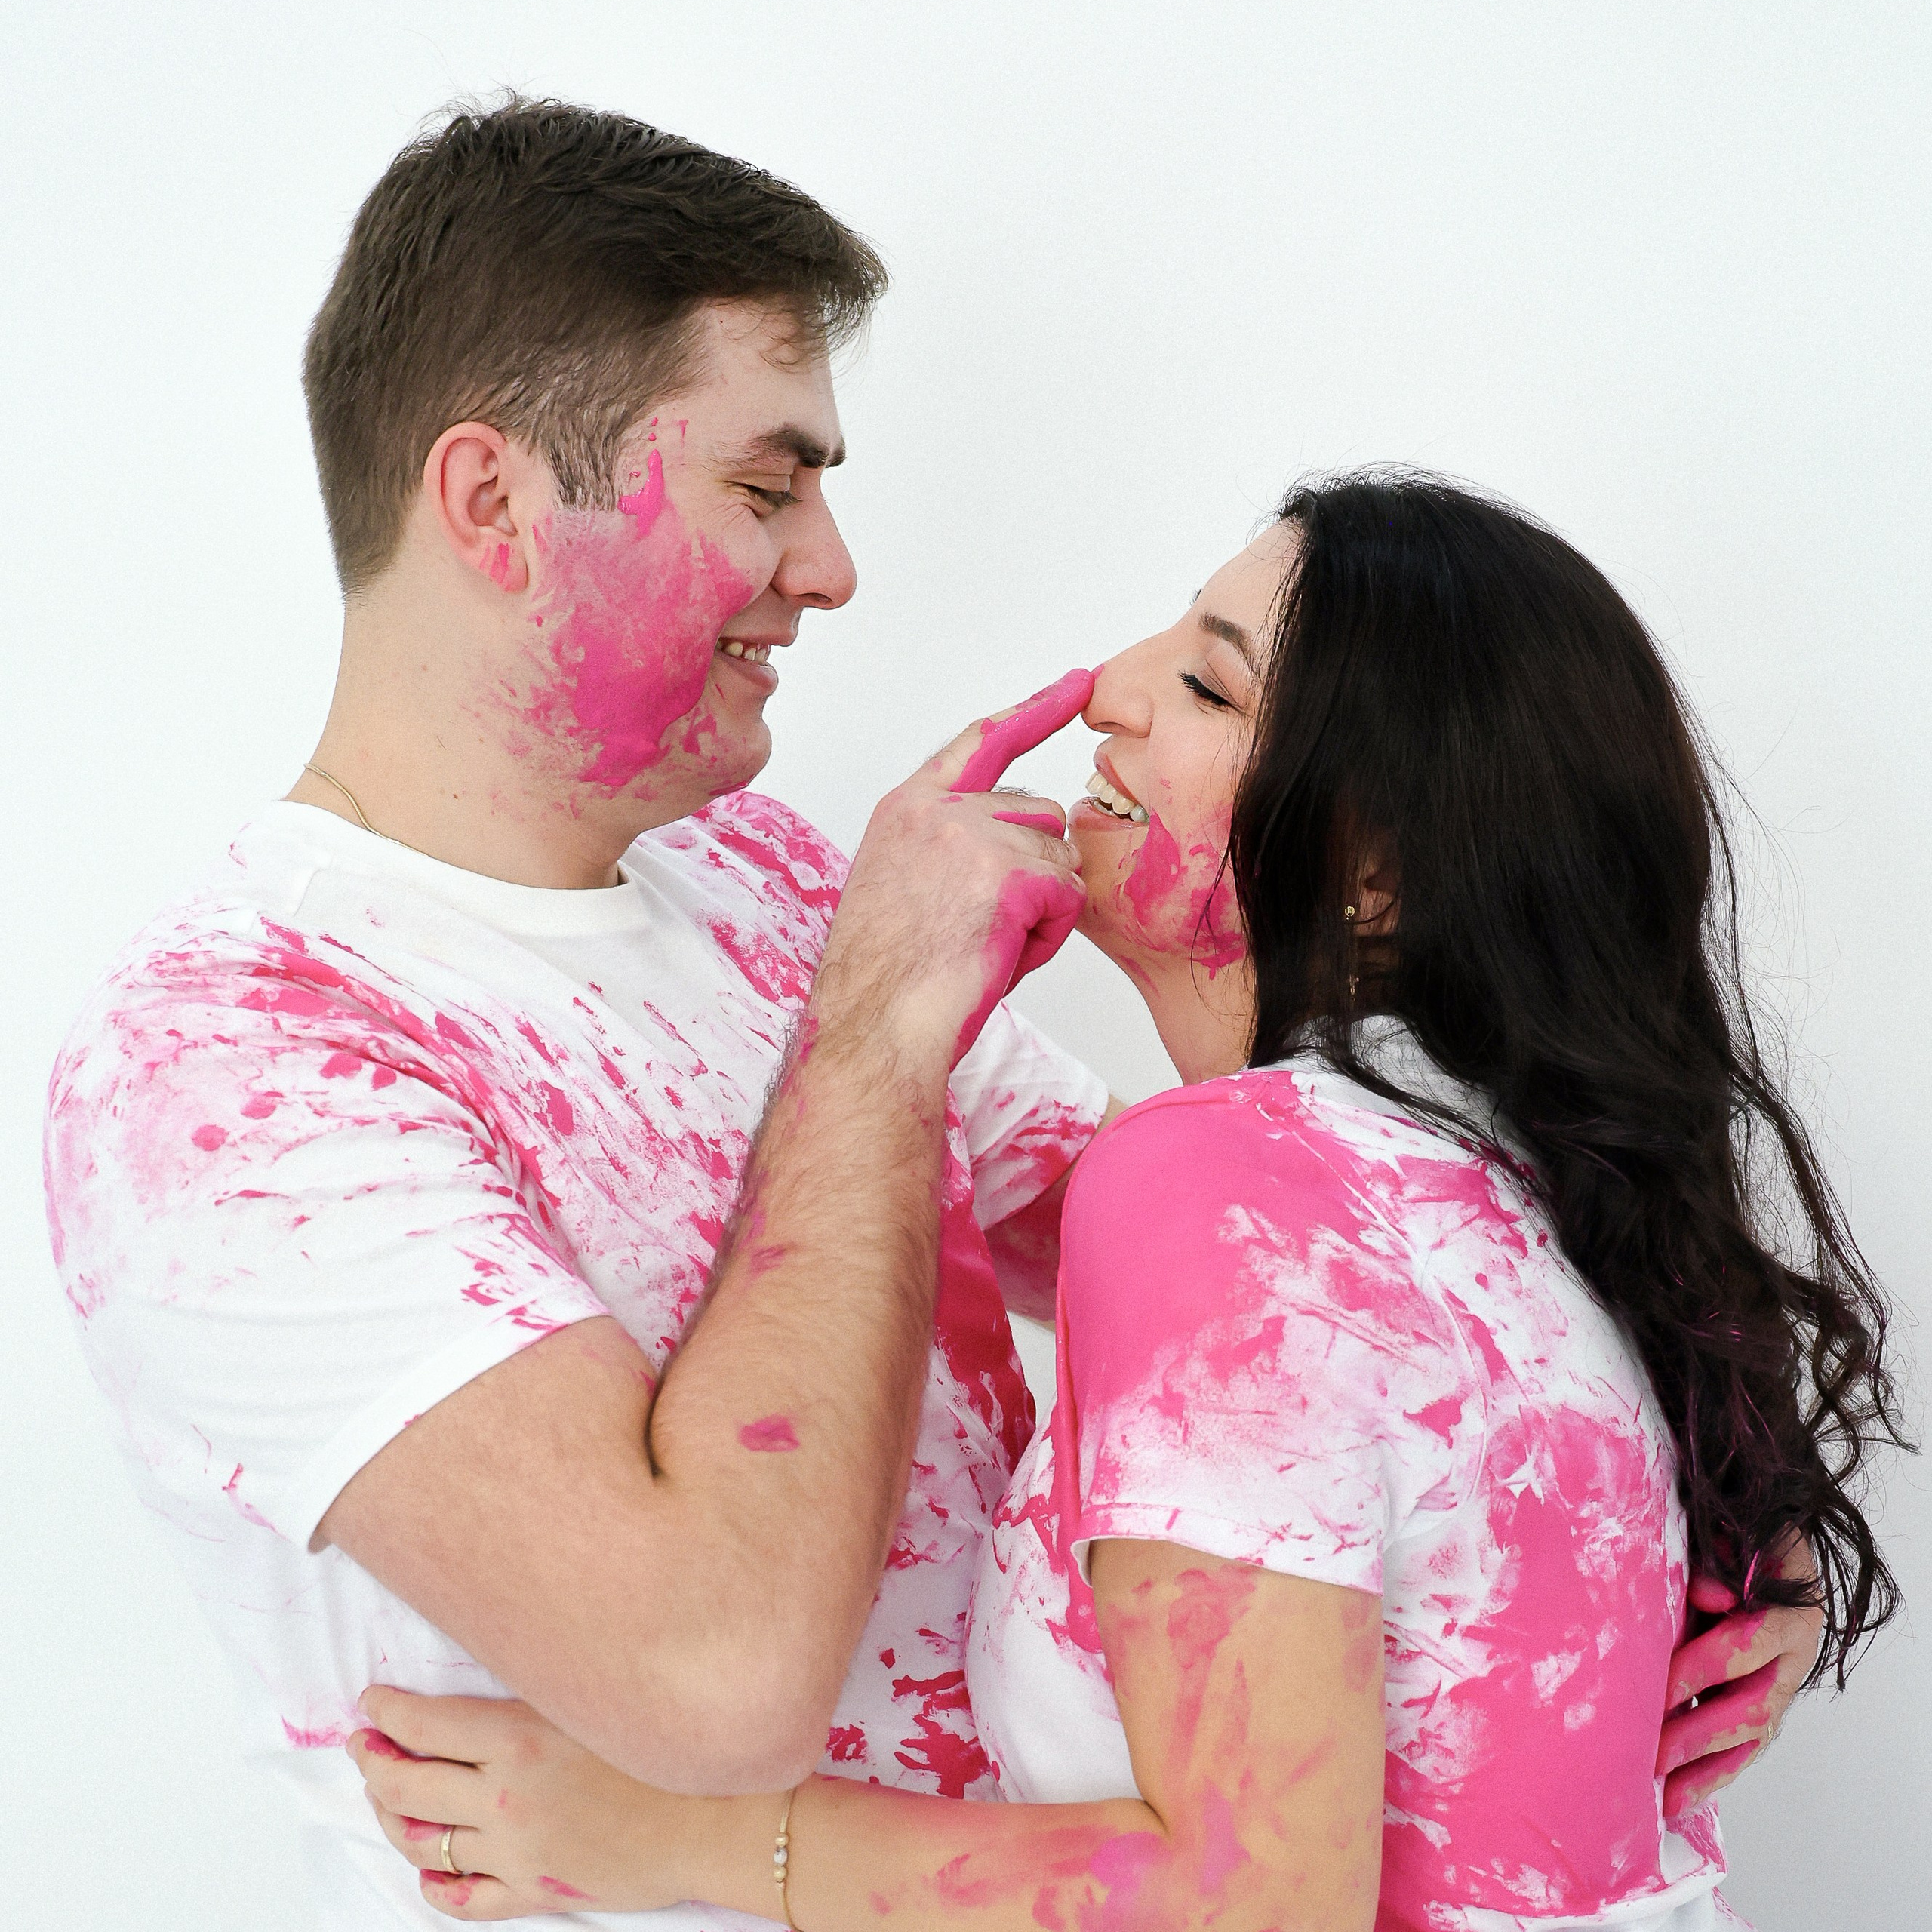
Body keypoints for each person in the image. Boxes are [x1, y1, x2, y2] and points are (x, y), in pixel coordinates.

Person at [43, 97, 1803, 1927]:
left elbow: (1269, 1288)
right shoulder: (227, 1063)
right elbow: (715, 1671)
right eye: (762, 484)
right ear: (489, 501)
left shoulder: (773, 884)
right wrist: (876, 1026)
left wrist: (1635, 1524)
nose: (830, 565)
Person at [348, 475, 1903, 1930]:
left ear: (1368, 874)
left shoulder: (1224, 1180)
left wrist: (664, 1832)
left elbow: (1248, 1896)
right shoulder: (1506, 1191)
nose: (1106, 687)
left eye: (1211, 687)